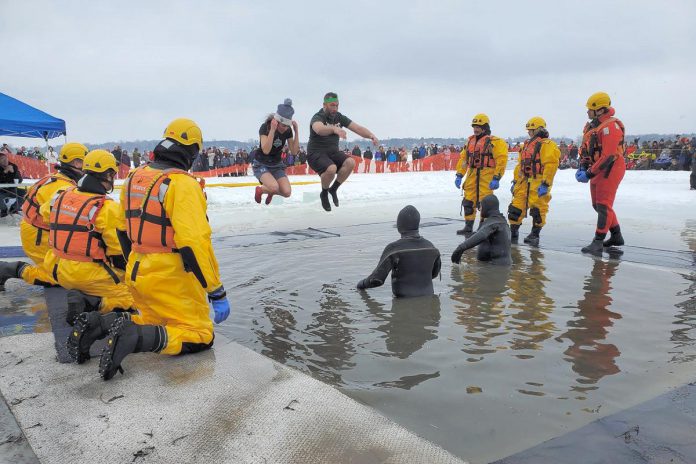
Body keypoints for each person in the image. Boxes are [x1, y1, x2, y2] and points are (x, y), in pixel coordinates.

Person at [83, 118, 231, 381]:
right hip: (171, 277)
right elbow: (193, 243)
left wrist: (134, 264)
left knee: (155, 321)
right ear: (192, 151)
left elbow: (120, 229)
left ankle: (100, 324)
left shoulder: (134, 178)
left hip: (139, 272)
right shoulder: (181, 184)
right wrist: (216, 291)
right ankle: (132, 338)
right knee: (200, 335)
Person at [14, 143, 86, 286]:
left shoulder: (58, 179)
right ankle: (16, 270)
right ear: (76, 163)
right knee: (60, 278)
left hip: (39, 232)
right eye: (86, 162)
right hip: (39, 236)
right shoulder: (61, 186)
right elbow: (58, 218)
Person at [307, 92, 379, 211]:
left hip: (333, 152)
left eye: (337, 105)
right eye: (332, 105)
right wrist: (334, 129)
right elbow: (319, 129)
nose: (335, 108)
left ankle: (333, 189)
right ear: (324, 105)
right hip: (316, 153)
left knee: (350, 162)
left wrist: (371, 135)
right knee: (331, 169)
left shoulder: (339, 117)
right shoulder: (318, 117)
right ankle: (324, 193)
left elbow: (357, 128)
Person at [575, 92, 627, 254]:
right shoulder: (592, 127)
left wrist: (590, 173)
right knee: (597, 205)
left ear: (600, 110)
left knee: (604, 205)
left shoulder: (611, 127)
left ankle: (598, 241)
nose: (587, 112)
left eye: (590, 109)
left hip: (610, 168)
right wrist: (583, 165)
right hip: (597, 168)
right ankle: (616, 235)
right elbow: (586, 149)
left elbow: (609, 155)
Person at [357, 205, 441, 298]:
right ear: (417, 224)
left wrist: (361, 285)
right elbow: (434, 274)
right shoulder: (431, 247)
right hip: (429, 301)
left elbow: (376, 280)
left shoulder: (394, 249)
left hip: (403, 301)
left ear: (399, 225)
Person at [507, 117, 560, 245]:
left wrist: (546, 183)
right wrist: (515, 181)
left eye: (532, 130)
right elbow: (520, 165)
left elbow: (551, 165)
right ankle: (513, 232)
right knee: (515, 208)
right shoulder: (526, 145)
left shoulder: (547, 145)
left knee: (537, 209)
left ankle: (535, 234)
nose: (529, 132)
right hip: (524, 180)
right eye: (529, 130)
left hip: (539, 180)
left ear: (539, 129)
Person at [454, 114, 508, 237]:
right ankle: (468, 226)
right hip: (472, 174)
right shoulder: (470, 142)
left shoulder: (494, 142)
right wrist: (459, 174)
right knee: (468, 201)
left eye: (478, 127)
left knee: (485, 203)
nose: (475, 129)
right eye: (474, 126)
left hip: (486, 175)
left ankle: (482, 227)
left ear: (485, 127)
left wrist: (497, 177)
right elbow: (464, 160)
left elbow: (501, 160)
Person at [251, 98, 300, 205]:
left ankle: (269, 191)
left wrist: (296, 132)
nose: (285, 128)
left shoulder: (287, 130)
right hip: (262, 163)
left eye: (288, 126)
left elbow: (294, 151)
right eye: (283, 125)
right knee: (274, 187)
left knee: (287, 192)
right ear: (276, 122)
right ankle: (261, 189)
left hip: (276, 164)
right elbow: (266, 150)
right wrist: (272, 131)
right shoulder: (266, 127)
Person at [451, 194, 511, 265]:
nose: (480, 209)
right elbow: (479, 234)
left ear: (487, 207)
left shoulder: (494, 223)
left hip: (493, 269)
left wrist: (460, 249)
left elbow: (481, 235)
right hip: (493, 266)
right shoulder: (501, 221)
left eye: (481, 206)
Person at [0, 151, 22, 217]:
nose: (5, 160)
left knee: (27, 193)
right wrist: (5, 171)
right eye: (2, 159)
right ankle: (4, 210)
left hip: (12, 189)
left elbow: (20, 180)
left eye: (6, 158)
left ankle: (14, 208)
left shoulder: (13, 166)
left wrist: (13, 173)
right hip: (1, 191)